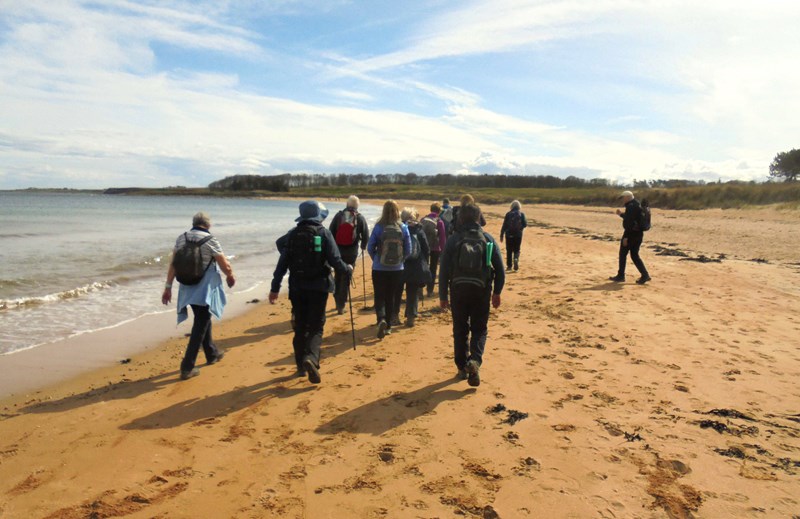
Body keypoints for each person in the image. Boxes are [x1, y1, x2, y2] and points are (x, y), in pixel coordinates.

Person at [269, 201, 352, 384]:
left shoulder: (292, 235)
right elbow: (336, 260)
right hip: (319, 287)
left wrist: (275, 288)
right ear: (319, 216)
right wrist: (347, 269)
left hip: (297, 287)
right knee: (316, 326)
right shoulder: (324, 233)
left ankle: (300, 366)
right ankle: (311, 358)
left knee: (300, 326)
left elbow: (281, 264)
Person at [162, 212, 236, 380]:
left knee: (202, 318)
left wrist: (168, 287)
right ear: (208, 225)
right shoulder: (211, 240)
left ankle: (211, 353)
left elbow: (174, 264)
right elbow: (224, 263)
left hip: (187, 286)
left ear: (194, 223)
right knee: (201, 322)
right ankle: (187, 366)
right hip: (204, 289)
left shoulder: (181, 238)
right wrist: (230, 276)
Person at [439, 204, 504, 387]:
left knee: (460, 329)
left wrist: (443, 295)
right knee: (479, 329)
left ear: (460, 219)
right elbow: (500, 270)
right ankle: (474, 360)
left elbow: (443, 270)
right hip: (481, 291)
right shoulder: (487, 238)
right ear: (478, 218)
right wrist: (497, 292)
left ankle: (461, 367)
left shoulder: (453, 240)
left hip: (458, 290)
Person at [367, 200, 411, 339]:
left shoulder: (379, 227)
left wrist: (377, 259)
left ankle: (381, 320)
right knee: (391, 296)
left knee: (379, 295)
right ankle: (389, 327)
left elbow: (370, 246)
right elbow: (408, 249)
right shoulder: (403, 227)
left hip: (379, 268)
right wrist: (400, 260)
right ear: (397, 211)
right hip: (397, 269)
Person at [328, 195, 369, 314]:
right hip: (352, 251)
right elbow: (366, 234)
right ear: (357, 206)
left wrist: (331, 248)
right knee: (346, 275)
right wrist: (363, 246)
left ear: (347, 204)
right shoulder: (360, 218)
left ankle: (337, 301)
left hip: (338, 250)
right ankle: (341, 305)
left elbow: (330, 232)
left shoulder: (339, 216)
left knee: (338, 275)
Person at [393, 207, 432, 327]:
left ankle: (394, 316)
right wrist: (425, 263)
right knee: (412, 292)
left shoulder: (398, 228)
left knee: (397, 291)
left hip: (400, 264)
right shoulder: (419, 230)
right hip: (416, 265)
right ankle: (411, 317)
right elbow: (426, 249)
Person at [609, 190, 651, 284]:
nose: (622, 200)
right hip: (639, 234)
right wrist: (621, 214)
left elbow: (629, 223)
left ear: (627, 197)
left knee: (623, 254)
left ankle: (621, 276)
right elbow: (631, 218)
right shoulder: (637, 205)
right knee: (635, 255)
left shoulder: (631, 207)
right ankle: (645, 275)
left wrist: (626, 237)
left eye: (623, 198)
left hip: (630, 234)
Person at [421, 202, 447, 297]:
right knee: (433, 268)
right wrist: (443, 250)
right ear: (439, 211)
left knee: (423, 268)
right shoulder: (439, 222)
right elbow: (443, 238)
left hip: (424, 248)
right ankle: (430, 290)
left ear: (431, 209)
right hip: (435, 248)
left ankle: (420, 290)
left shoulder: (423, 219)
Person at [499, 200, 528, 272]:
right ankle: (516, 259)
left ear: (511, 206)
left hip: (509, 234)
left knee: (509, 250)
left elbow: (504, 225)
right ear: (519, 206)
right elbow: (525, 224)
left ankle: (509, 266)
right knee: (517, 249)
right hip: (518, 234)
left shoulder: (508, 214)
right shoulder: (521, 214)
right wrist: (520, 228)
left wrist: (501, 235)